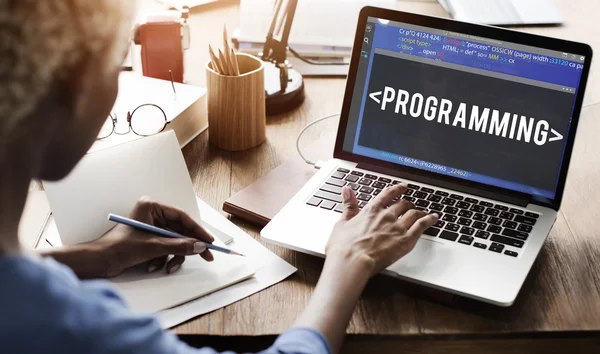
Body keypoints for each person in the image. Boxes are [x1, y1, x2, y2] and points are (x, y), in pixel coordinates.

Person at [0, 1, 438, 354]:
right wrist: (349, 262)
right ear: (69, 90)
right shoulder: (76, 328)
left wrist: (94, 255)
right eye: (117, 66)